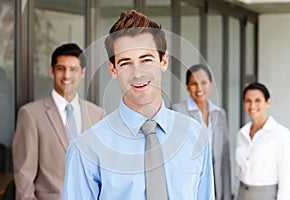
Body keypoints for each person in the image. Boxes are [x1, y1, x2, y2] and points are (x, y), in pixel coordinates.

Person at [62, 10, 214, 200]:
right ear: (113, 69)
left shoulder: (196, 136)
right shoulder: (86, 149)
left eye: (146, 59)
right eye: (125, 63)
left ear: (163, 61)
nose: (137, 73)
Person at [13, 43, 105, 200]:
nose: (67, 76)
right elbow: (24, 178)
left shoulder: (97, 115)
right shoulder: (30, 115)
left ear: (82, 72)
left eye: (73, 69)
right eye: (61, 68)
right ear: (52, 70)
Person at [173, 64, 232, 200]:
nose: (199, 88)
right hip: (190, 182)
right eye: (194, 83)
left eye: (204, 82)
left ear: (211, 84)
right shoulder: (177, 112)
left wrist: (227, 195)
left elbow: (224, 159)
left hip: (216, 180)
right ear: (187, 86)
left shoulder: (219, 114)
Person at [235, 82, 290, 200]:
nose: (252, 106)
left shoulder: (280, 134)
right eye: (248, 101)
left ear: (268, 102)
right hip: (242, 194)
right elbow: (238, 172)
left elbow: (287, 178)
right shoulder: (242, 134)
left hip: (267, 195)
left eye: (257, 100)